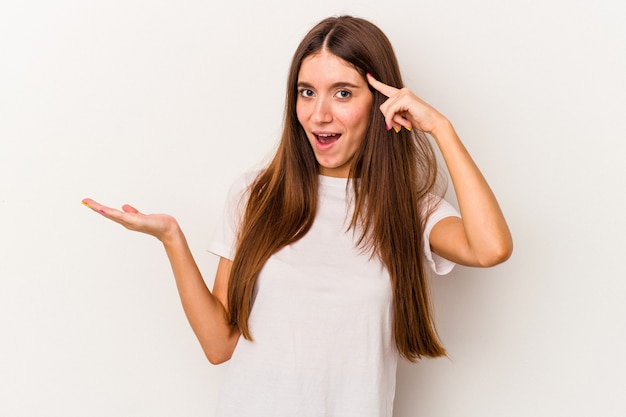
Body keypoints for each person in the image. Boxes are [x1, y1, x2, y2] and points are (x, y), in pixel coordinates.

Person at [82, 15, 512, 417]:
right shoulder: (257, 194)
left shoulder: (409, 209)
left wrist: (440, 128)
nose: (319, 113)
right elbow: (218, 345)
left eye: (342, 92)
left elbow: (491, 247)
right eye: (307, 91)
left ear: (384, 101)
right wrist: (172, 238)